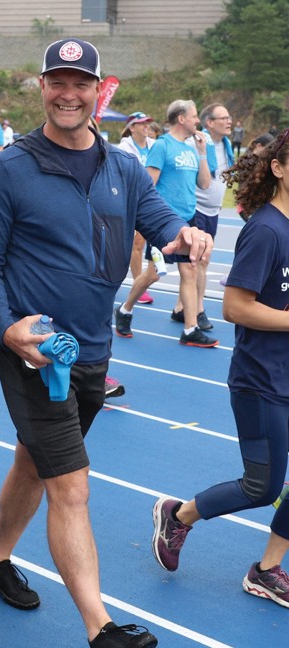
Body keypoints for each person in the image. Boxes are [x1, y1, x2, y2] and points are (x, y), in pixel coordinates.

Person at [0, 38, 213, 648]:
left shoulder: (122, 168)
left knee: (35, 460)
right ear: (41, 87)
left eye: (81, 83)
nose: (68, 94)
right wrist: (6, 328)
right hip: (37, 353)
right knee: (71, 485)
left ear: (98, 92)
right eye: (57, 81)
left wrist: (183, 234)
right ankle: (99, 628)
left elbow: (157, 222)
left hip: (94, 353)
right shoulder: (9, 167)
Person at [151, 127, 289, 610]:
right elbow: (234, 307)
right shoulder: (267, 229)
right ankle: (179, 515)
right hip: (262, 382)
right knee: (261, 486)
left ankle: (268, 569)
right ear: (278, 167)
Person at [113, 99, 218, 348]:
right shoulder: (162, 146)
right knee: (154, 274)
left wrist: (202, 153)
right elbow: (147, 185)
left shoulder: (192, 148)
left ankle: (190, 329)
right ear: (181, 118)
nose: (197, 121)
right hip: (163, 223)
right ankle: (125, 309)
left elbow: (204, 183)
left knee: (189, 270)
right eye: (194, 117)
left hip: (188, 220)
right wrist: (146, 220)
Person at [183, 103, 234, 330]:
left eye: (229, 117)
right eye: (223, 118)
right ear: (209, 123)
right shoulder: (195, 143)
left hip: (213, 211)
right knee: (199, 261)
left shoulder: (227, 144)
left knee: (197, 262)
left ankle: (179, 307)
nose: (229, 121)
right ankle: (199, 310)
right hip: (197, 209)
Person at [117, 112, 156, 305]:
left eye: (148, 122)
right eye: (142, 124)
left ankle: (139, 282)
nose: (146, 126)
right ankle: (138, 285)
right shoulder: (125, 148)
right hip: (132, 201)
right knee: (137, 244)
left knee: (144, 244)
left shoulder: (154, 145)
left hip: (151, 201)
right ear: (132, 127)